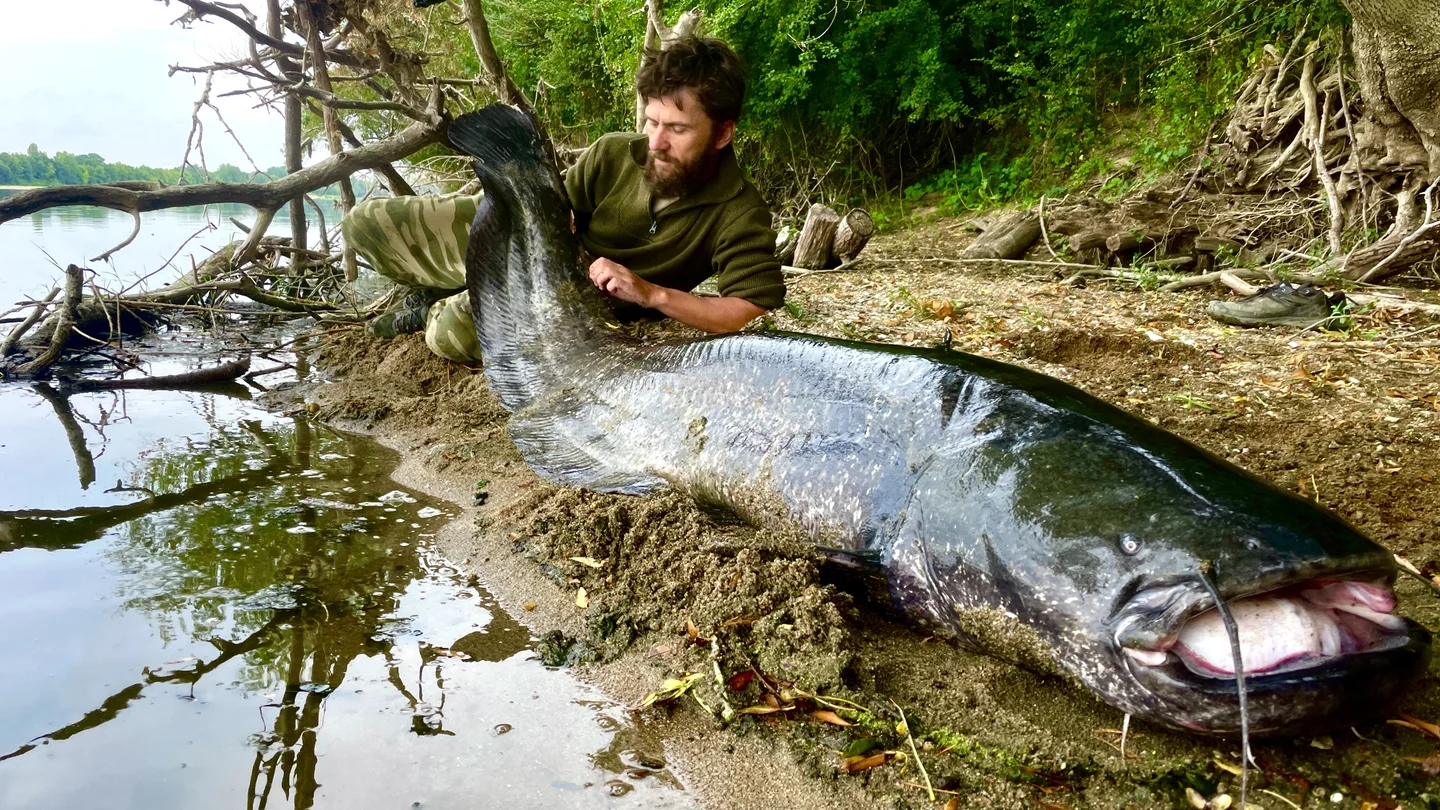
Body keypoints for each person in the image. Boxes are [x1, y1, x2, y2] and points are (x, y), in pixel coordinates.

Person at [347, 36, 785, 364]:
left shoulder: (741, 212)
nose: (657, 142)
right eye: (652, 122)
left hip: (573, 300)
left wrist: (652, 295)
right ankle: (442, 285)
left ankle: (427, 306)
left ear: (723, 133)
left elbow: (751, 308)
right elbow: (551, 212)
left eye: (678, 129)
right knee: (364, 224)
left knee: (449, 333)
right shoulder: (613, 152)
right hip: (528, 247)